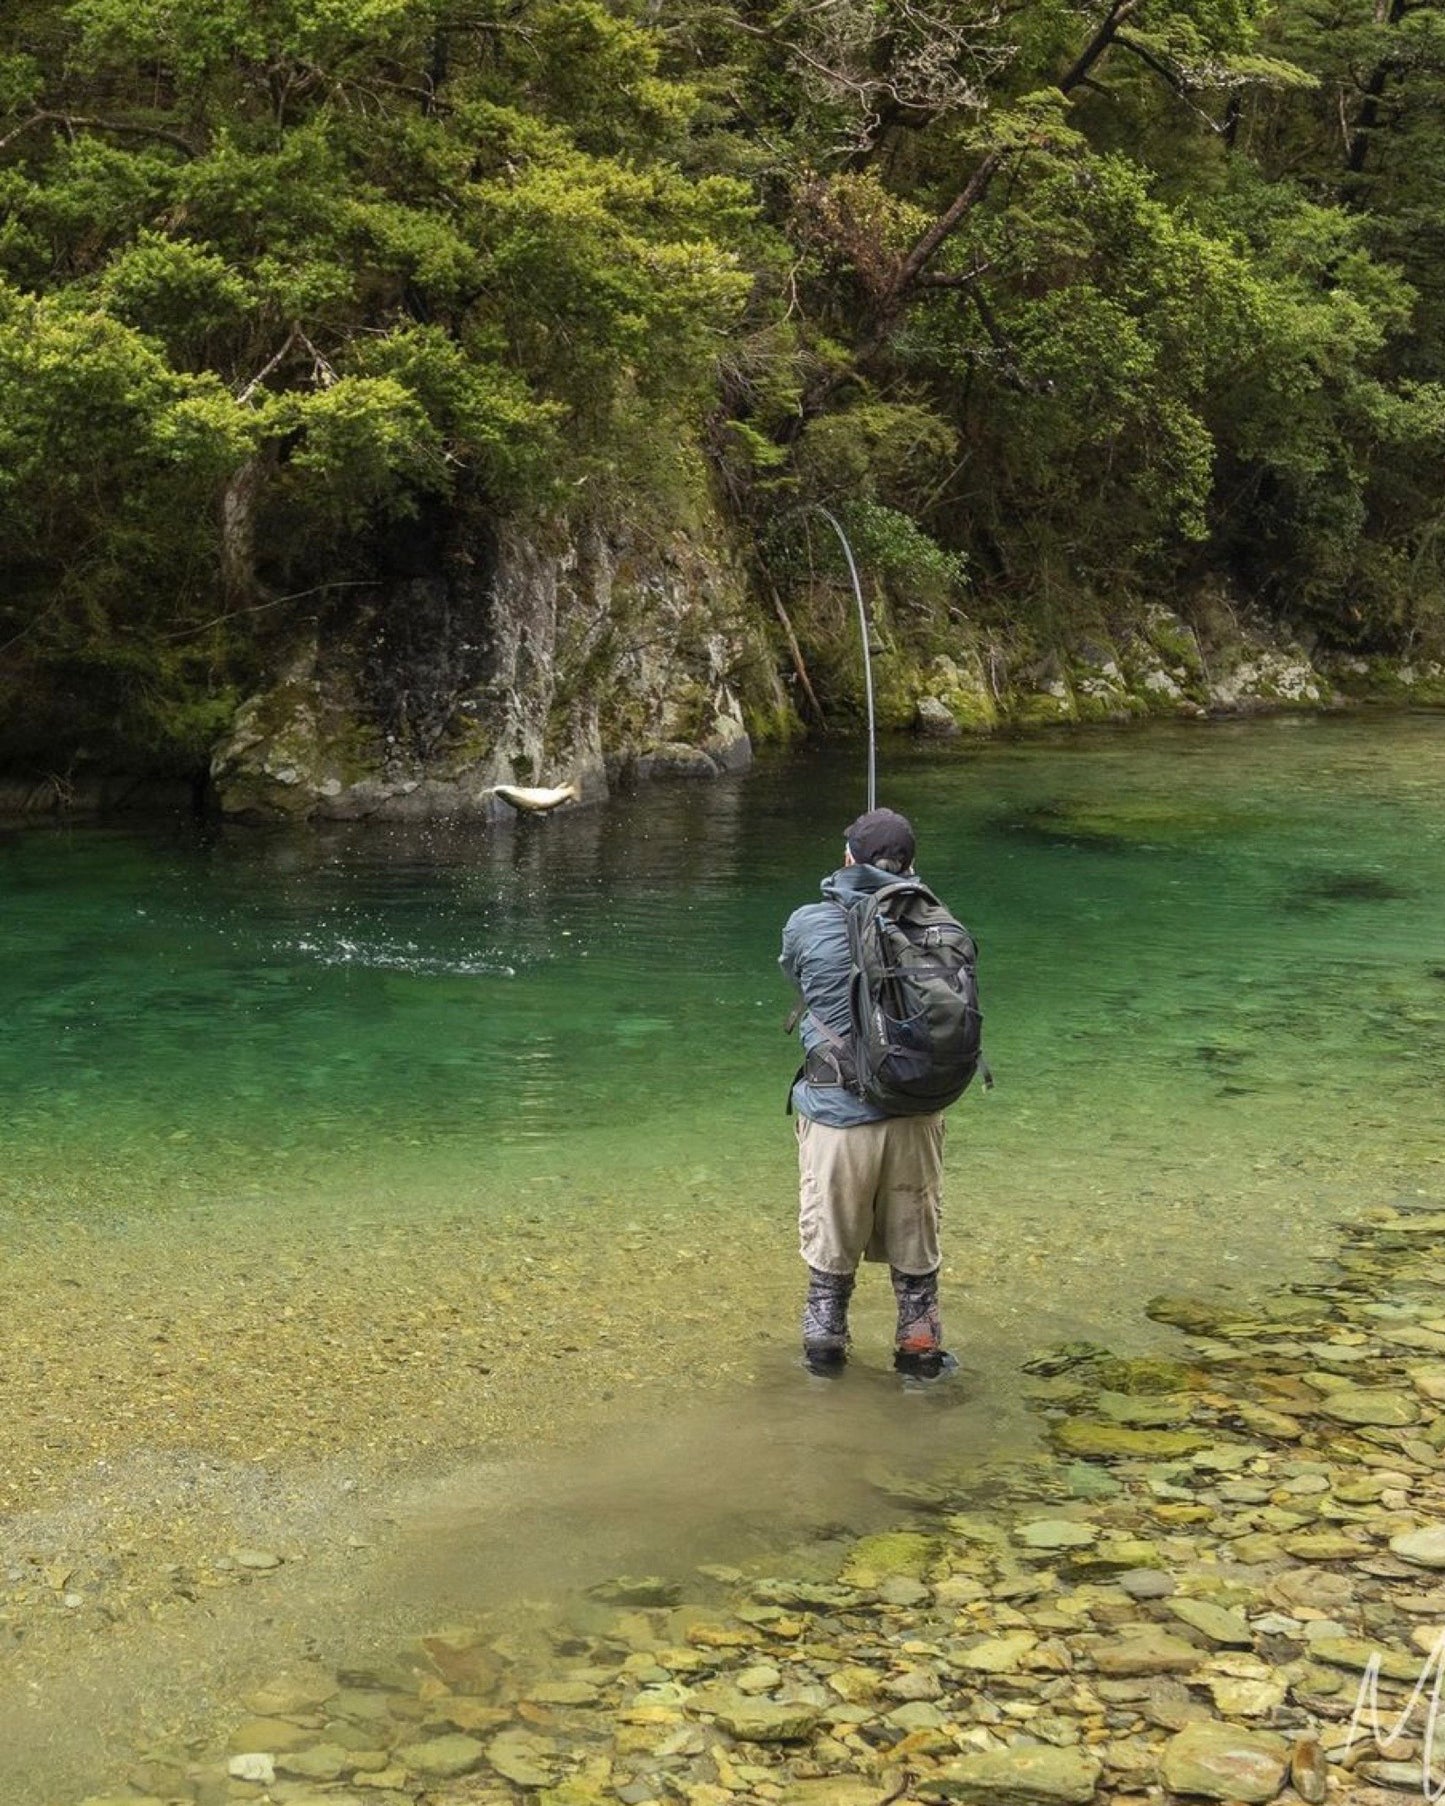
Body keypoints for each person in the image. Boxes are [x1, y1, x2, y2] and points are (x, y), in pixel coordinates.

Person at [780, 807, 956, 1380]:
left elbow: (796, 972)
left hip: (837, 1116)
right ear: (910, 864)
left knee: (829, 1273)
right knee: (916, 1270)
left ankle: (825, 1388)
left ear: (848, 857)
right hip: (918, 1114)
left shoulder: (808, 922)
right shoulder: (938, 923)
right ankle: (921, 1370)